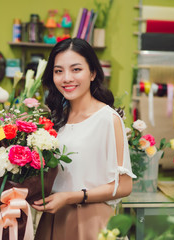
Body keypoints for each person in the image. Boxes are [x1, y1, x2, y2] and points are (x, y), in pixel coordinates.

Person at [32, 38, 136, 239]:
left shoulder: (108, 119)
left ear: (93, 73)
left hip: (91, 221)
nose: (66, 78)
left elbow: (124, 186)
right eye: (58, 71)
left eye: (76, 69)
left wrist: (72, 197)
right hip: (52, 219)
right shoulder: (53, 120)